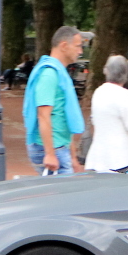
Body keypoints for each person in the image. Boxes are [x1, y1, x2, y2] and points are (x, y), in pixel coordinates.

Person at [23, 26, 88, 175]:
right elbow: (43, 116)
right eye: (78, 46)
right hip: (52, 149)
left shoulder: (56, 73)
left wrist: (72, 157)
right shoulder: (49, 75)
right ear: (64, 46)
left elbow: (62, 117)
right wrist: (50, 154)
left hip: (58, 147)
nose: (80, 51)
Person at [85, 55, 128, 172]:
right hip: (117, 161)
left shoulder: (99, 92)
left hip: (96, 158)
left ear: (106, 71)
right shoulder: (125, 95)